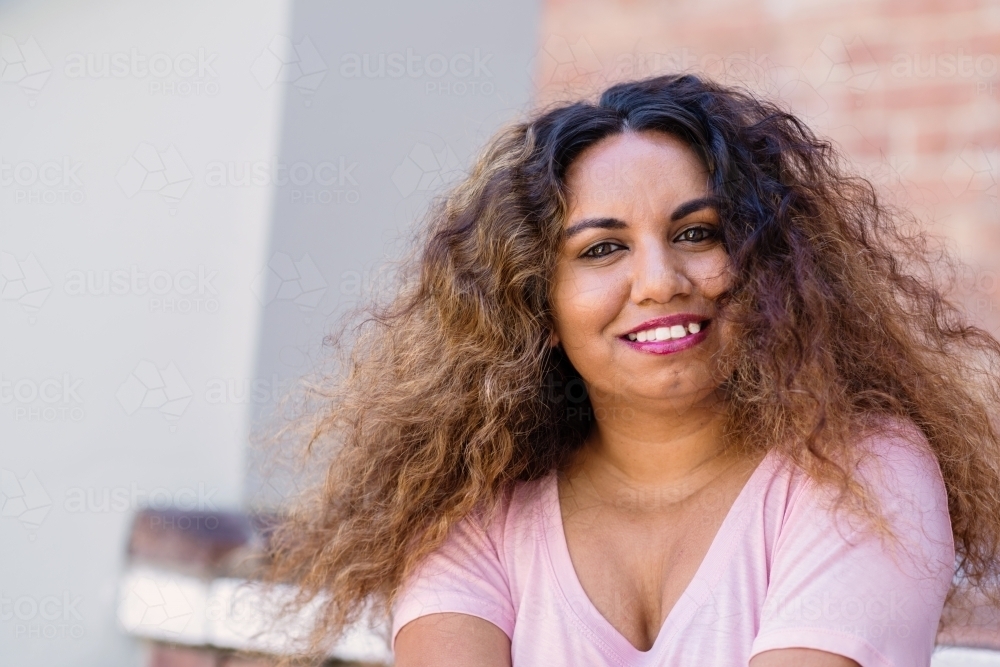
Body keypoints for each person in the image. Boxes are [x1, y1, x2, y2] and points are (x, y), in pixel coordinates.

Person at [263, 74, 1000, 666]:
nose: (659, 280)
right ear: (537, 307)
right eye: (601, 249)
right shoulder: (476, 510)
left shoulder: (864, 471)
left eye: (697, 233)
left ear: (772, 266)